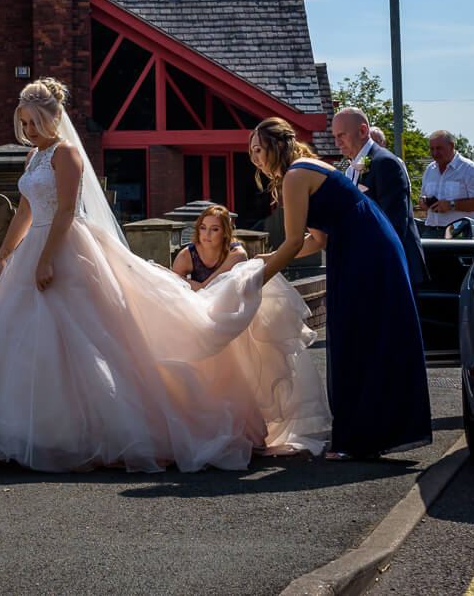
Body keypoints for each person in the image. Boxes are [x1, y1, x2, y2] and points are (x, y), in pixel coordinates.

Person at [0, 78, 328, 471]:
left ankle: (83, 431)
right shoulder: (34, 156)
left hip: (65, 247)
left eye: (31, 122)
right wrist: (6, 252)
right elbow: (26, 208)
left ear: (50, 118)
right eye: (22, 123)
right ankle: (11, 428)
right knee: (13, 333)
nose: (26, 130)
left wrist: (46, 258)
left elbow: (64, 211)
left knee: (86, 335)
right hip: (33, 247)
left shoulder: (67, 154)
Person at [252, 116, 431, 459]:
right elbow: (316, 240)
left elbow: (292, 243)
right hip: (360, 249)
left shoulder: (295, 175)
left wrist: (256, 281)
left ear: (276, 147)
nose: (255, 159)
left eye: (259, 150)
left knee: (360, 339)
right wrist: (266, 260)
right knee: (356, 338)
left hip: (365, 252)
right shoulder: (304, 170)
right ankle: (362, 436)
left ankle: (361, 440)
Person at [334, 107, 426, 289]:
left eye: (342, 135)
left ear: (362, 131)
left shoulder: (384, 163)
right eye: (335, 136)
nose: (337, 143)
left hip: (390, 267)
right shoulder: (351, 168)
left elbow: (393, 224)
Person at [420, 130, 474, 239]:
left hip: (461, 233)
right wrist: (423, 202)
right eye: (432, 149)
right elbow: (422, 197)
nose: (435, 153)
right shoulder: (430, 170)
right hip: (432, 231)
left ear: (451, 145)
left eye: (439, 148)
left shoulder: (468, 169)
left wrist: (452, 205)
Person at [171, 204, 248, 291]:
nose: (207, 234)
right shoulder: (187, 254)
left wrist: (171, 276)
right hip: (197, 302)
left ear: (225, 232)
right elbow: (173, 290)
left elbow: (207, 287)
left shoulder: (237, 254)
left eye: (215, 229)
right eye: (203, 228)